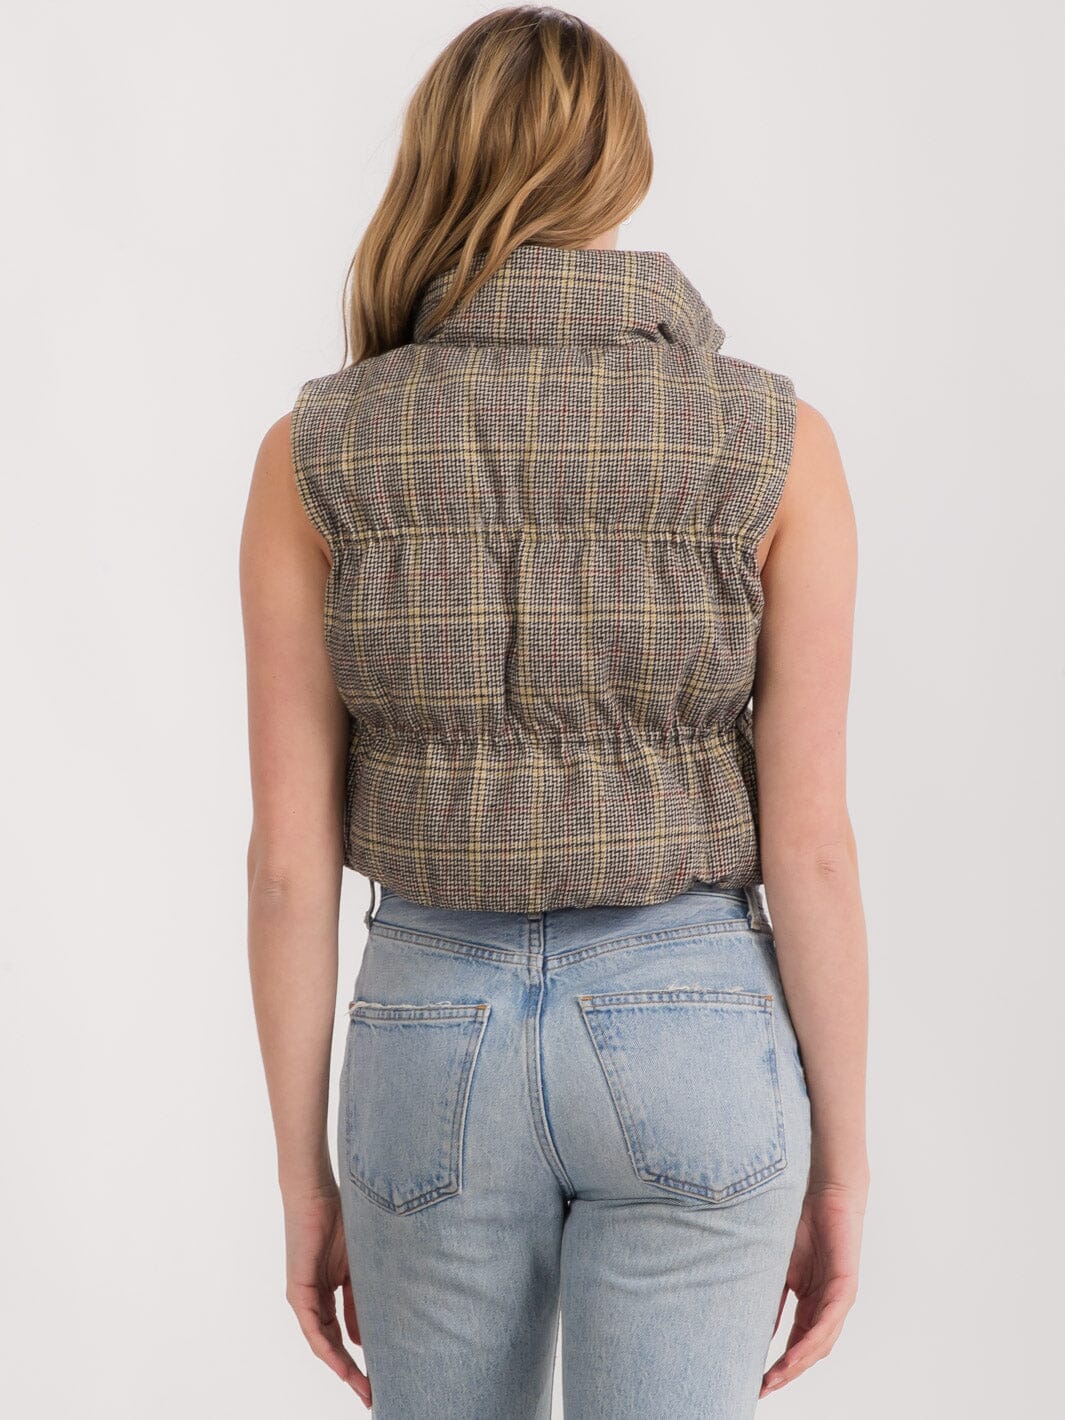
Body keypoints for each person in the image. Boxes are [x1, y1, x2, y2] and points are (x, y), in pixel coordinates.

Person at [240, 7, 868, 1417]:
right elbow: (813, 846)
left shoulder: (314, 449)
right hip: (693, 1021)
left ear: (437, 160)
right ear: (623, 170)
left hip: (428, 1036)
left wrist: (302, 1182)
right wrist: (841, 1166)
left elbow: (288, 862)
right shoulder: (773, 441)